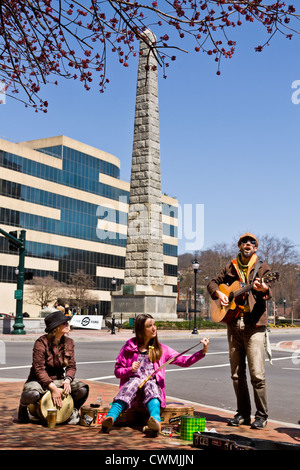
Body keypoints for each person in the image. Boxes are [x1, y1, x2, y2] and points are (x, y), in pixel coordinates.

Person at [101, 313, 209, 434]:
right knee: (134, 381)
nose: (154, 328)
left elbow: (184, 361)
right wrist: (129, 370)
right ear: (141, 329)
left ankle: (155, 421)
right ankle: (110, 418)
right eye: (149, 326)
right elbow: (117, 372)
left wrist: (202, 352)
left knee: (151, 384)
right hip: (131, 396)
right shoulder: (129, 348)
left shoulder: (162, 350)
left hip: (151, 395)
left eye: (154, 325)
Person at [207, 233, 272, 430]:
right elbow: (211, 283)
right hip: (233, 324)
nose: (247, 245)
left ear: (255, 248)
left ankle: (261, 415)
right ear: (239, 246)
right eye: (244, 242)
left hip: (254, 325)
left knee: (257, 374)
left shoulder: (262, 267)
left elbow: (269, 291)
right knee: (236, 374)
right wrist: (219, 293)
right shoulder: (230, 266)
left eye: (251, 243)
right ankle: (243, 413)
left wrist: (262, 288)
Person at [17, 310, 89, 423]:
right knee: (32, 394)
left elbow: (72, 366)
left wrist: (67, 380)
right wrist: (53, 388)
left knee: (82, 389)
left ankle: (70, 411)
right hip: (39, 381)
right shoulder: (41, 342)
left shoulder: (69, 342)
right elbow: (39, 369)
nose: (68, 324)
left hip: (59, 380)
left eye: (67, 322)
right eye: (64, 323)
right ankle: (23, 407)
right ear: (56, 328)